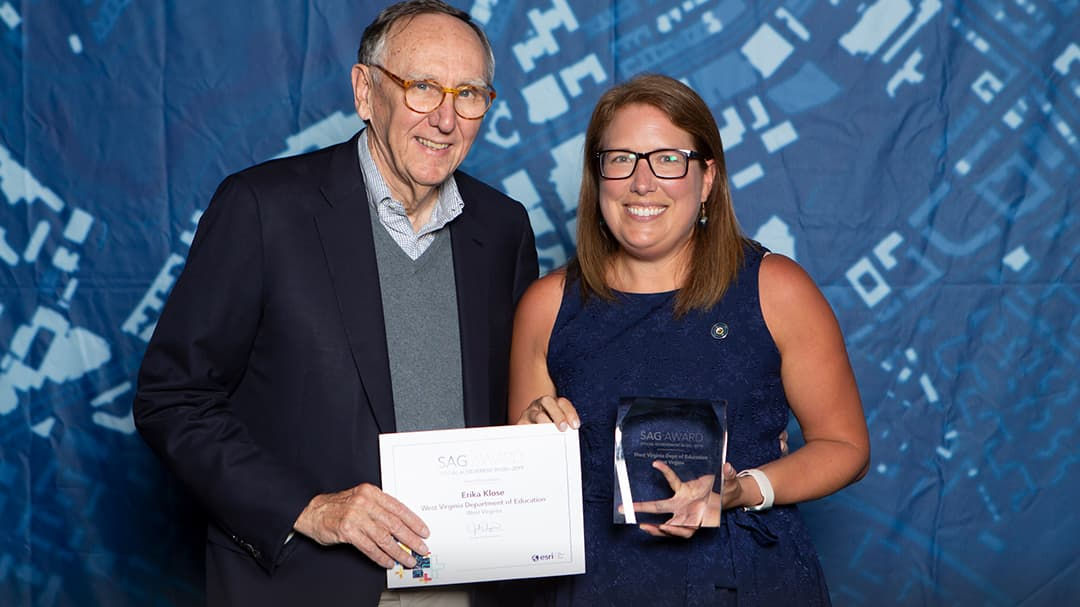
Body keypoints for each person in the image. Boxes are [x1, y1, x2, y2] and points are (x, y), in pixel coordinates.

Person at [133, 2, 537, 606]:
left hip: (459, 583)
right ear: (365, 91)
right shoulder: (262, 209)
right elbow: (172, 398)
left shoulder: (503, 228)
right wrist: (309, 509)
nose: (446, 118)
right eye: (423, 87)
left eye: (470, 93)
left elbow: (507, 405)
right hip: (305, 579)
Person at [509, 74, 870, 606]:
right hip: (590, 587)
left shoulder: (777, 289)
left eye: (668, 159)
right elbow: (526, 495)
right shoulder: (546, 305)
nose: (642, 182)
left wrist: (744, 489)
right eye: (621, 159)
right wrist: (526, 442)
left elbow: (846, 448)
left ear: (706, 179)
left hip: (747, 578)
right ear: (597, 177)